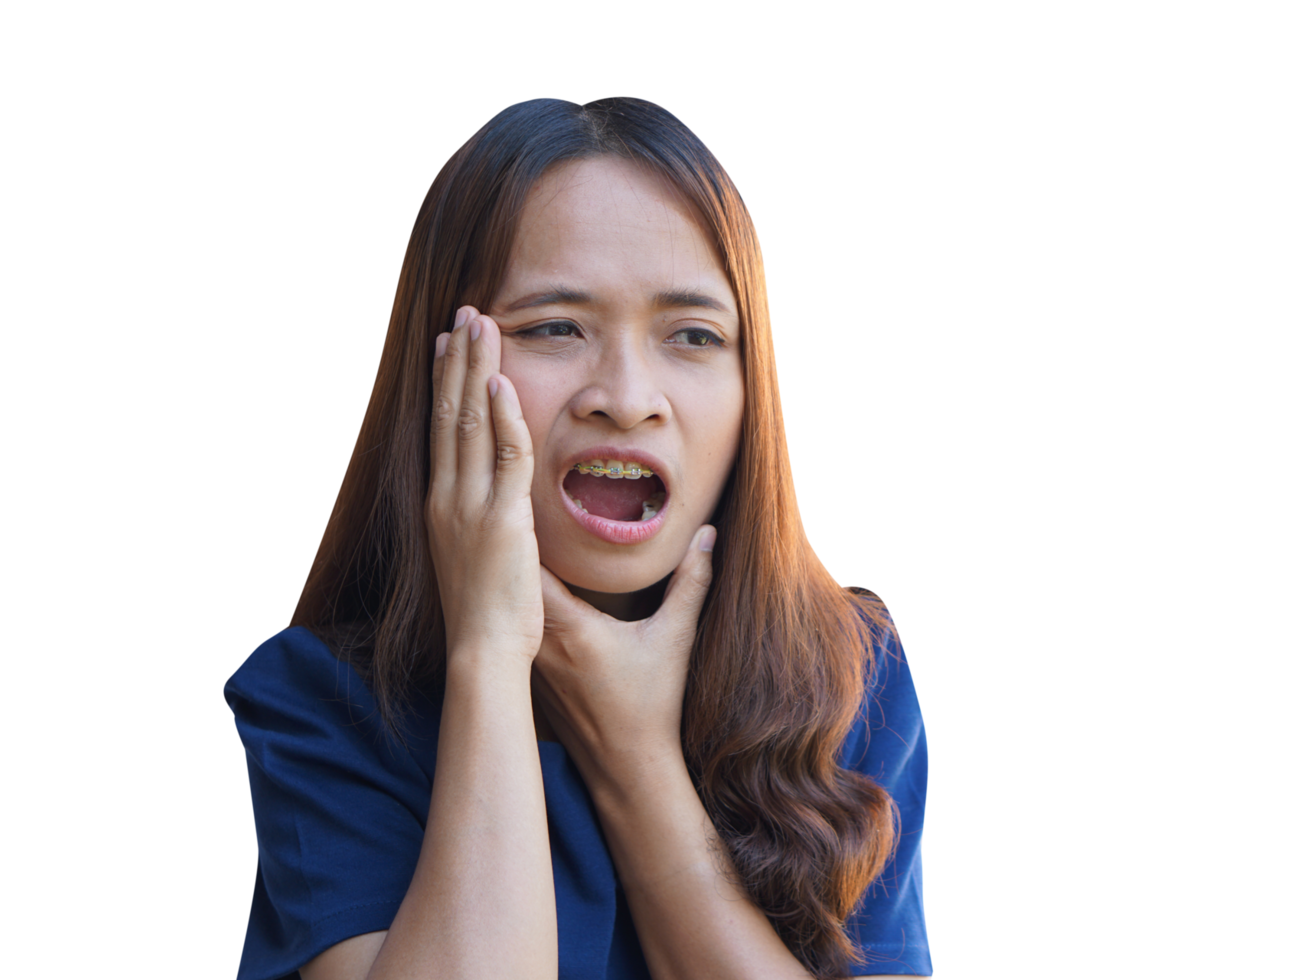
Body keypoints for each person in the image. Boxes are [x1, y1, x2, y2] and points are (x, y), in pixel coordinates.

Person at [224, 96, 931, 980]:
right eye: (555, 327)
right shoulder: (320, 705)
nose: (627, 396)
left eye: (694, 335)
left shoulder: (849, 680)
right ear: (441, 372)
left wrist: (632, 755)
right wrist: (493, 648)